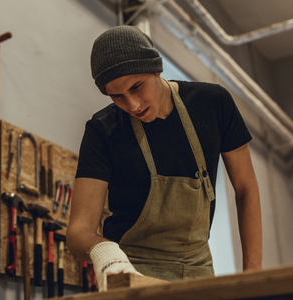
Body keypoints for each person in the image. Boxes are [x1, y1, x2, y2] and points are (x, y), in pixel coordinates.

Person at [66, 25, 262, 291]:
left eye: (137, 87)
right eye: (117, 96)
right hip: (131, 274)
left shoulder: (213, 104)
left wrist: (252, 279)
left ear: (156, 69)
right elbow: (78, 230)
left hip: (199, 273)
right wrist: (107, 255)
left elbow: (246, 189)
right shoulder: (103, 130)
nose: (133, 105)